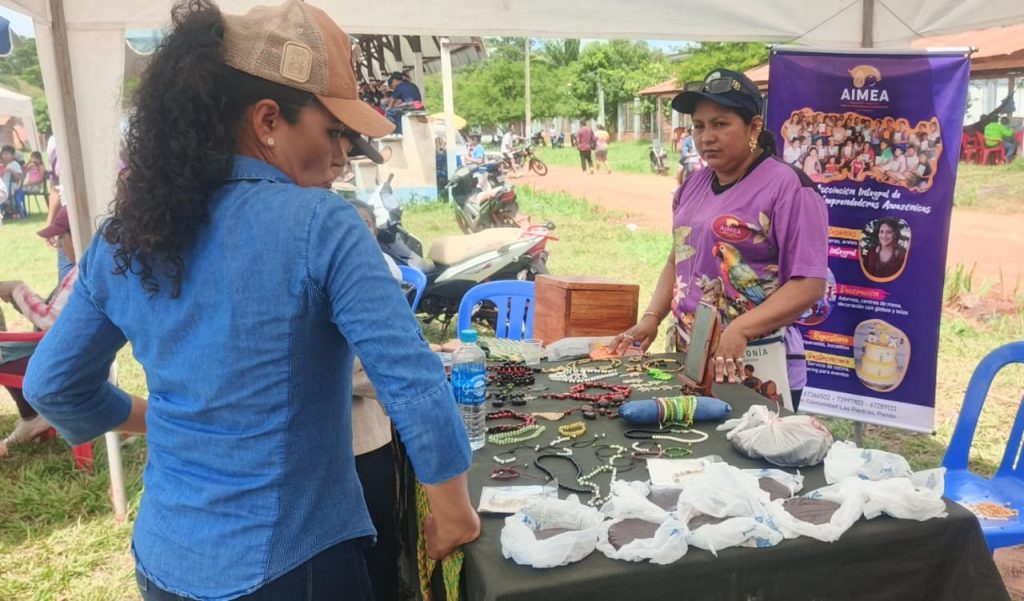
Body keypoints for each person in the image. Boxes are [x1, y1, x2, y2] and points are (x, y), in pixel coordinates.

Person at [22, 2, 480, 600]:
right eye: (333, 132)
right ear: (268, 119)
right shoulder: (322, 225)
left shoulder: (124, 236)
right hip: (295, 564)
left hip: (165, 561)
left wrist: (159, 420)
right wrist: (452, 510)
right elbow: (412, 379)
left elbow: (52, 386)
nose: (342, 157)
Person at [610, 69, 827, 411]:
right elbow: (677, 259)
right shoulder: (693, 184)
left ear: (754, 127)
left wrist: (741, 329)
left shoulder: (789, 188)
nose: (706, 137)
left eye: (720, 124)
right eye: (698, 126)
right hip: (688, 358)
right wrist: (651, 318)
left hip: (755, 363)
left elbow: (809, 284)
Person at [0, 207, 77, 457]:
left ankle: (33, 415)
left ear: (77, 234)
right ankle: (32, 415)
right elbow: (53, 311)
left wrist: (17, 289)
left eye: (61, 237)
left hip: (60, 362)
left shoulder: (81, 273)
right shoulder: (86, 269)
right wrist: (18, 298)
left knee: (2, 353)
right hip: (70, 353)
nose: (59, 245)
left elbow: (48, 319)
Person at [0, 145, 23, 220]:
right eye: (3, 154)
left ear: (13, 155)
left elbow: (20, 177)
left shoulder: (14, 164)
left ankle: (8, 211)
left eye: (7, 154)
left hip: (10, 187)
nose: (5, 156)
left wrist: (11, 171)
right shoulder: (3, 165)